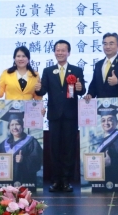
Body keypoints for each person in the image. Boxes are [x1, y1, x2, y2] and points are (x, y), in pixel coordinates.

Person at [36, 40, 85, 192]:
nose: (60, 53)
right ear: (54, 52)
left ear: (68, 52)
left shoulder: (76, 70)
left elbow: (82, 91)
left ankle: (66, 181)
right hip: (54, 115)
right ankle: (56, 180)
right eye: (57, 50)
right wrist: (37, 88)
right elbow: (42, 91)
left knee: (69, 149)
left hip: (71, 115)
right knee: (55, 149)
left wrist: (80, 88)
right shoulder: (48, 71)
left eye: (63, 50)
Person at [0, 110, 43, 187]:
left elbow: (37, 161)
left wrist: (24, 160)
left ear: (22, 126)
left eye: (17, 124)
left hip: (25, 183)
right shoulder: (2, 145)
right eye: (12, 125)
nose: (14, 127)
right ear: (9, 127)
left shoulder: (32, 142)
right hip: (6, 185)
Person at [85, 33, 118, 101]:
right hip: (100, 105)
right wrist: (90, 94)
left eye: (111, 44)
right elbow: (94, 84)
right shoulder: (98, 64)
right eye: (105, 44)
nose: (107, 47)